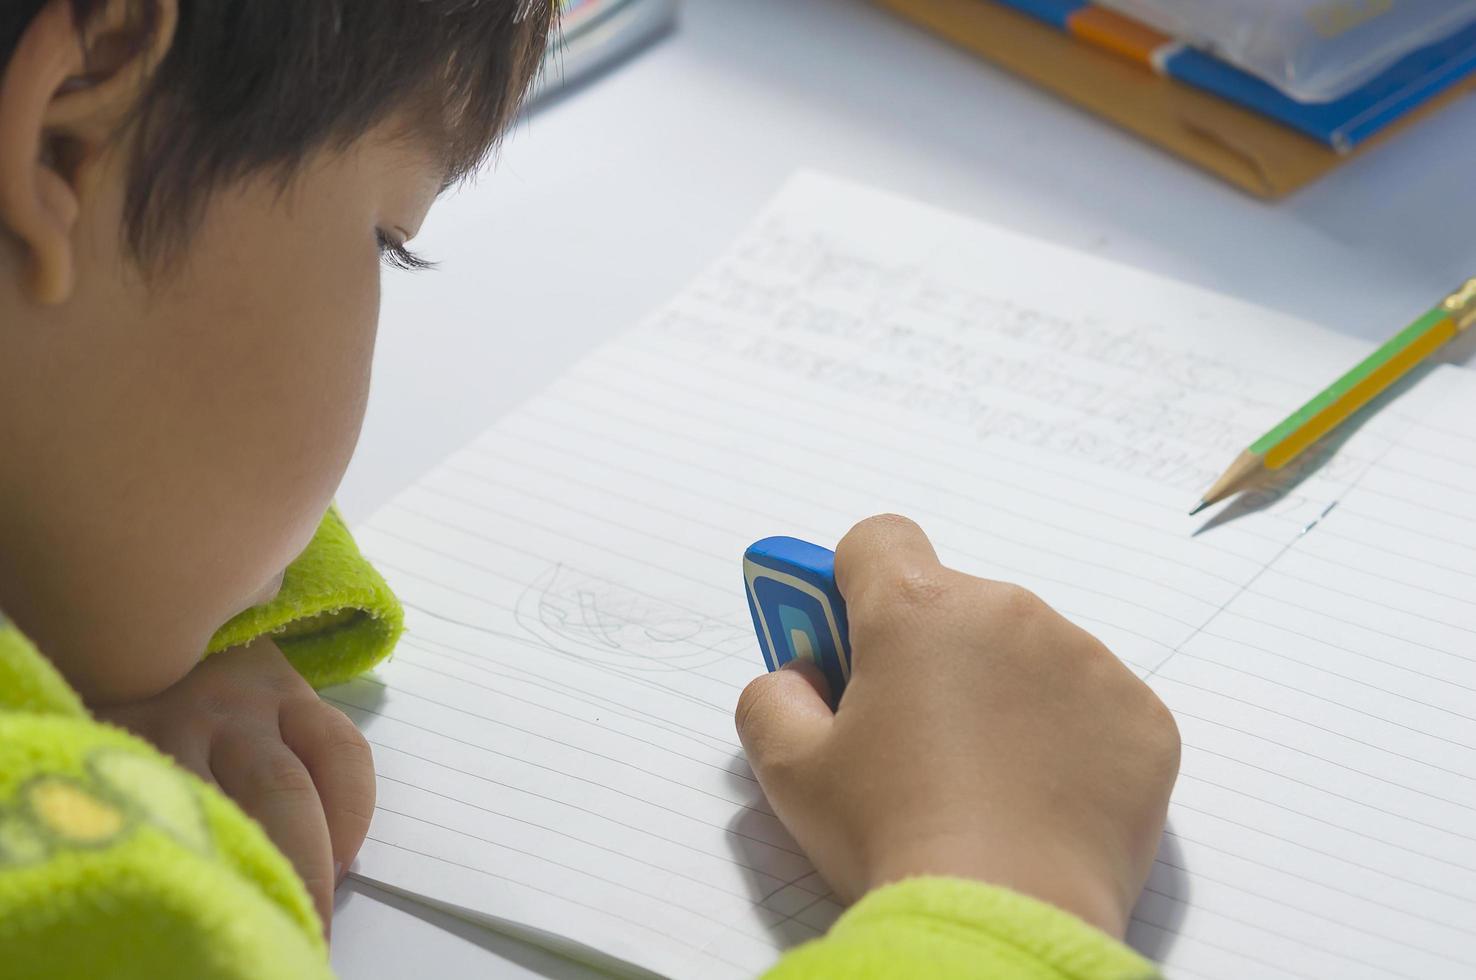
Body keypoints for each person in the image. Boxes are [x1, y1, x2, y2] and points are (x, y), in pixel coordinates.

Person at [0, 2, 1181, 977]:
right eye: (383, 239)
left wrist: (115, 604)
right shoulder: (104, 911)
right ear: (63, 137)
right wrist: (1002, 886)